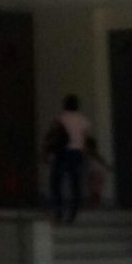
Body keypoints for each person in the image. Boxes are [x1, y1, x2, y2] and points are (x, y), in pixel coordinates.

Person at [49, 95, 92, 224]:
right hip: (77, 153)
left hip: (63, 152)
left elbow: (52, 134)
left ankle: (59, 210)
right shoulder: (83, 120)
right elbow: (87, 138)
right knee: (75, 183)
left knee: (56, 181)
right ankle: (73, 212)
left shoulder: (60, 118)